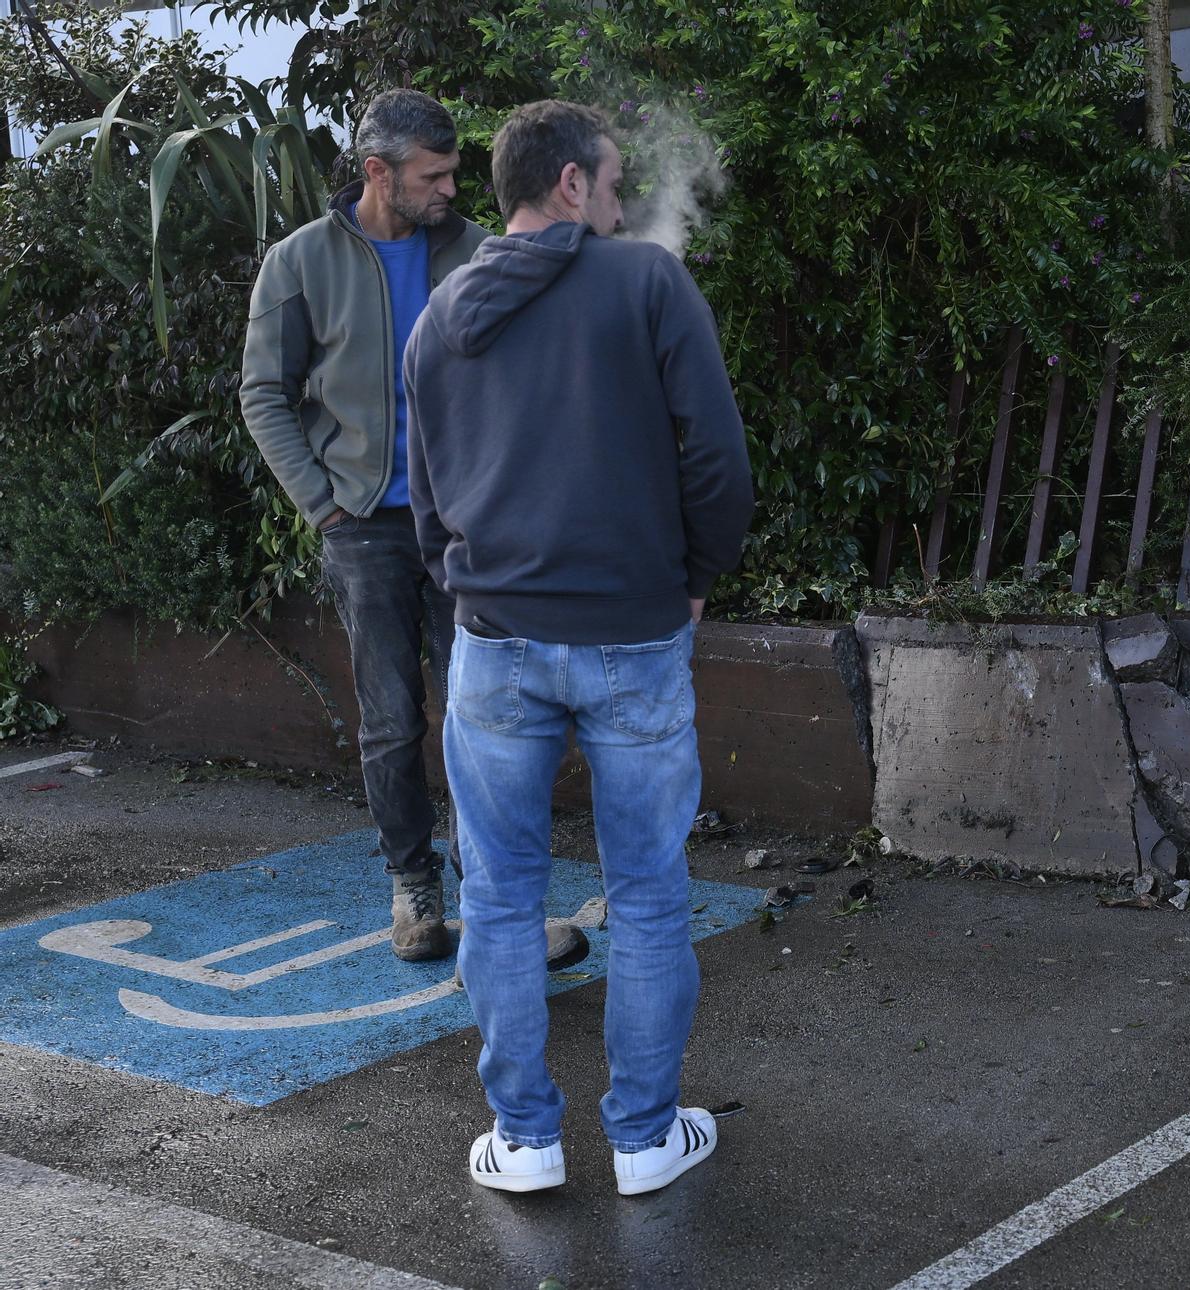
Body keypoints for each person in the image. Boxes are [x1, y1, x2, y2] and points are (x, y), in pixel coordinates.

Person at [404, 100, 754, 1194]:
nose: (616, 202)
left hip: (492, 646)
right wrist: (695, 579)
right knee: (647, 894)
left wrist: (476, 592)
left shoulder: (437, 317)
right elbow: (717, 459)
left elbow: (427, 507)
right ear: (567, 185)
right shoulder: (645, 282)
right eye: (607, 184)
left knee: (500, 899)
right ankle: (646, 1141)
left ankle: (526, 1141)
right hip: (632, 638)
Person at [240, 88, 584, 969]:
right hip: (363, 526)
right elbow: (263, 394)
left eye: (453, 171)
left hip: (465, 524)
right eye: (432, 175)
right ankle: (414, 891)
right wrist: (322, 501)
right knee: (392, 720)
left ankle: (501, 904)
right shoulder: (299, 262)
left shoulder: (475, 249)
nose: (449, 188)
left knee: (491, 718)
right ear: (377, 173)